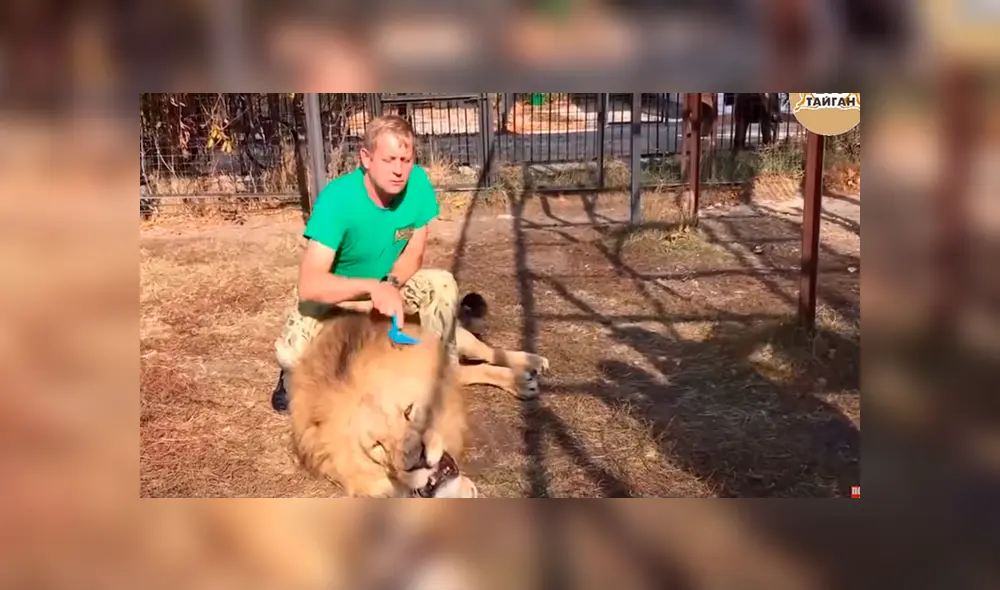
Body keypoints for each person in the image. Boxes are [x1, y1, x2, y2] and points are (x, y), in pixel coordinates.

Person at [270, 115, 461, 413]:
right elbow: (310, 285)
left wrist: (390, 285)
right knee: (292, 354)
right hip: (339, 298)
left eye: (405, 159)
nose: (399, 170)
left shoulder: (418, 184)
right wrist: (372, 287)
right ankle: (290, 378)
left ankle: (441, 373)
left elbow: (415, 251)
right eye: (389, 160)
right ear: (366, 158)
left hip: (386, 287)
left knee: (443, 284)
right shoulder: (337, 200)